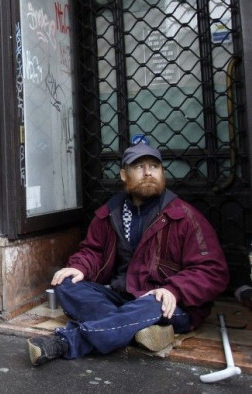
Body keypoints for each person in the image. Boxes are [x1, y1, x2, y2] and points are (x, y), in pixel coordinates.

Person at [27, 142, 229, 366]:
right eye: (139, 166)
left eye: (154, 166)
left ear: (162, 172)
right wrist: (80, 267)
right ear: (124, 174)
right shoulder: (110, 214)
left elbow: (213, 271)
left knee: (152, 303)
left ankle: (68, 342)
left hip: (167, 303)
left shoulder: (184, 217)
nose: (148, 172)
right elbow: (93, 251)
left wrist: (174, 289)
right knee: (67, 283)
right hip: (122, 295)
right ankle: (139, 329)